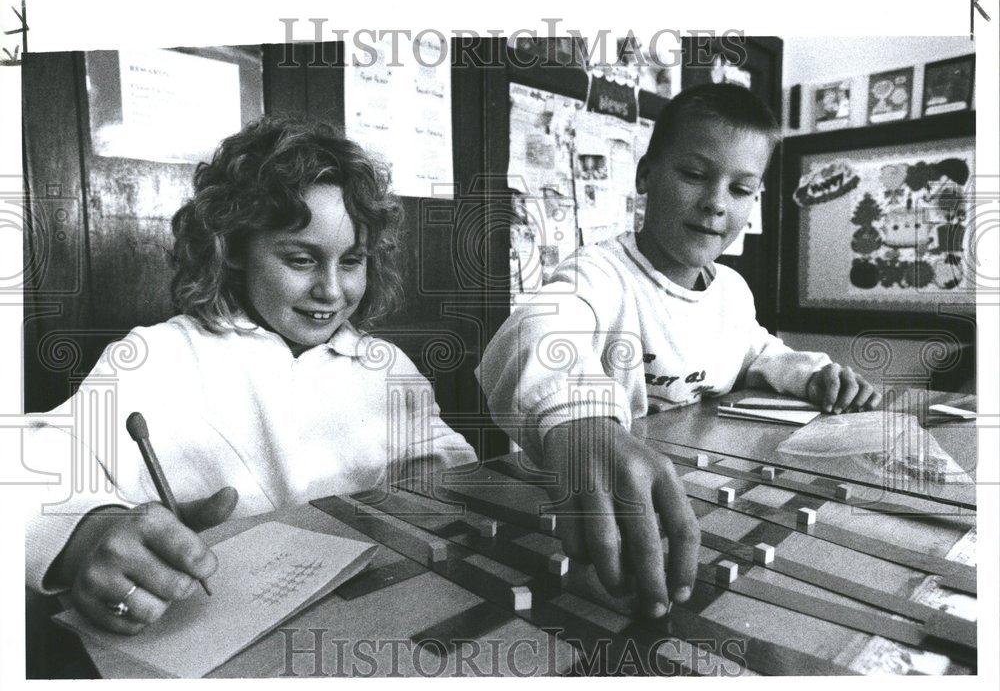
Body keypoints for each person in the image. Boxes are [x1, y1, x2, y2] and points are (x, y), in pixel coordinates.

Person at [25, 117, 476, 634]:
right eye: (301, 259)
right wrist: (87, 533)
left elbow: (447, 460)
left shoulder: (387, 367)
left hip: (378, 625)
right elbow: (28, 469)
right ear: (235, 248)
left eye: (352, 261)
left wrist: (429, 476)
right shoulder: (159, 356)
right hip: (211, 638)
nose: (331, 291)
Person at [477, 83, 880, 620]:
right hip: (579, 514)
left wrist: (814, 374)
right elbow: (536, 329)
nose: (716, 203)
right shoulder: (601, 274)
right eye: (693, 175)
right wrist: (582, 420)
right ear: (646, 176)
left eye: (740, 189)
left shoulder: (732, 291)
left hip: (695, 500)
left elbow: (759, 351)